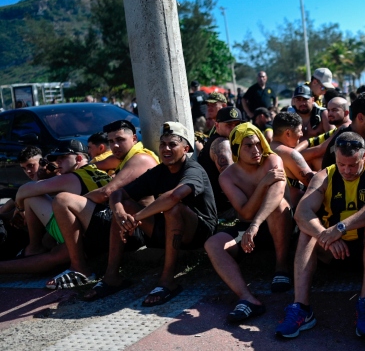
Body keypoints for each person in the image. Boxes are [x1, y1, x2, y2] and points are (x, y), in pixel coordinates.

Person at [276, 132, 365, 339]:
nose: (346, 170)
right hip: (333, 249)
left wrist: (339, 228)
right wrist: (325, 235)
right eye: (342, 164)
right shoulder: (326, 176)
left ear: (364, 157)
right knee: (306, 233)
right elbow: (302, 213)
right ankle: (301, 307)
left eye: (353, 165)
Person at [89, 122, 217, 306]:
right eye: (163, 144)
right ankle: (111, 277)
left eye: (172, 144)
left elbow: (174, 196)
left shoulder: (193, 170)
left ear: (186, 148)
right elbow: (118, 193)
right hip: (166, 229)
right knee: (123, 206)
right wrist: (118, 212)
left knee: (173, 208)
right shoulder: (157, 172)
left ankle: (167, 282)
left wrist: (137, 218)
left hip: (197, 233)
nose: (166, 149)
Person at [48, 120, 160, 294]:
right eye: (111, 141)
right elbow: (97, 164)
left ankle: (80, 268)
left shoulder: (141, 159)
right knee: (51, 242)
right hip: (126, 222)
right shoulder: (126, 157)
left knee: (63, 201)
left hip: (138, 230)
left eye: (120, 139)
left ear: (134, 139)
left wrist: (79, 202)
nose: (115, 145)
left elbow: (106, 193)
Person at [204, 123, 295, 321]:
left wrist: (255, 224)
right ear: (237, 149)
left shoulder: (272, 160)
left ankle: (281, 266)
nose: (256, 150)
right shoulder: (228, 175)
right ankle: (247, 298)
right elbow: (244, 212)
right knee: (213, 244)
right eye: (248, 146)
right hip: (248, 227)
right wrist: (263, 184)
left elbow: (277, 194)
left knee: (277, 207)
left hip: (279, 223)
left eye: (257, 144)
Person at [0, 141, 110, 276]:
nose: (58, 163)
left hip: (83, 233)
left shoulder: (71, 177)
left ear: (79, 158)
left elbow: (24, 190)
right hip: (100, 226)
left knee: (31, 199)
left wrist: (19, 207)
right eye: (56, 159)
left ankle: (33, 248)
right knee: (51, 245)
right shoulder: (100, 172)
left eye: (62, 158)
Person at [197, 106, 243, 218]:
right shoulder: (222, 144)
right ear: (217, 125)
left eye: (237, 125)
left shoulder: (221, 140)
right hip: (225, 210)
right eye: (229, 125)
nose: (234, 128)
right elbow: (234, 180)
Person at [269, 112, 315, 208]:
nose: (302, 134)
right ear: (288, 133)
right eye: (299, 130)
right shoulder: (289, 154)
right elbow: (313, 183)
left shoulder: (266, 150)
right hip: (292, 210)